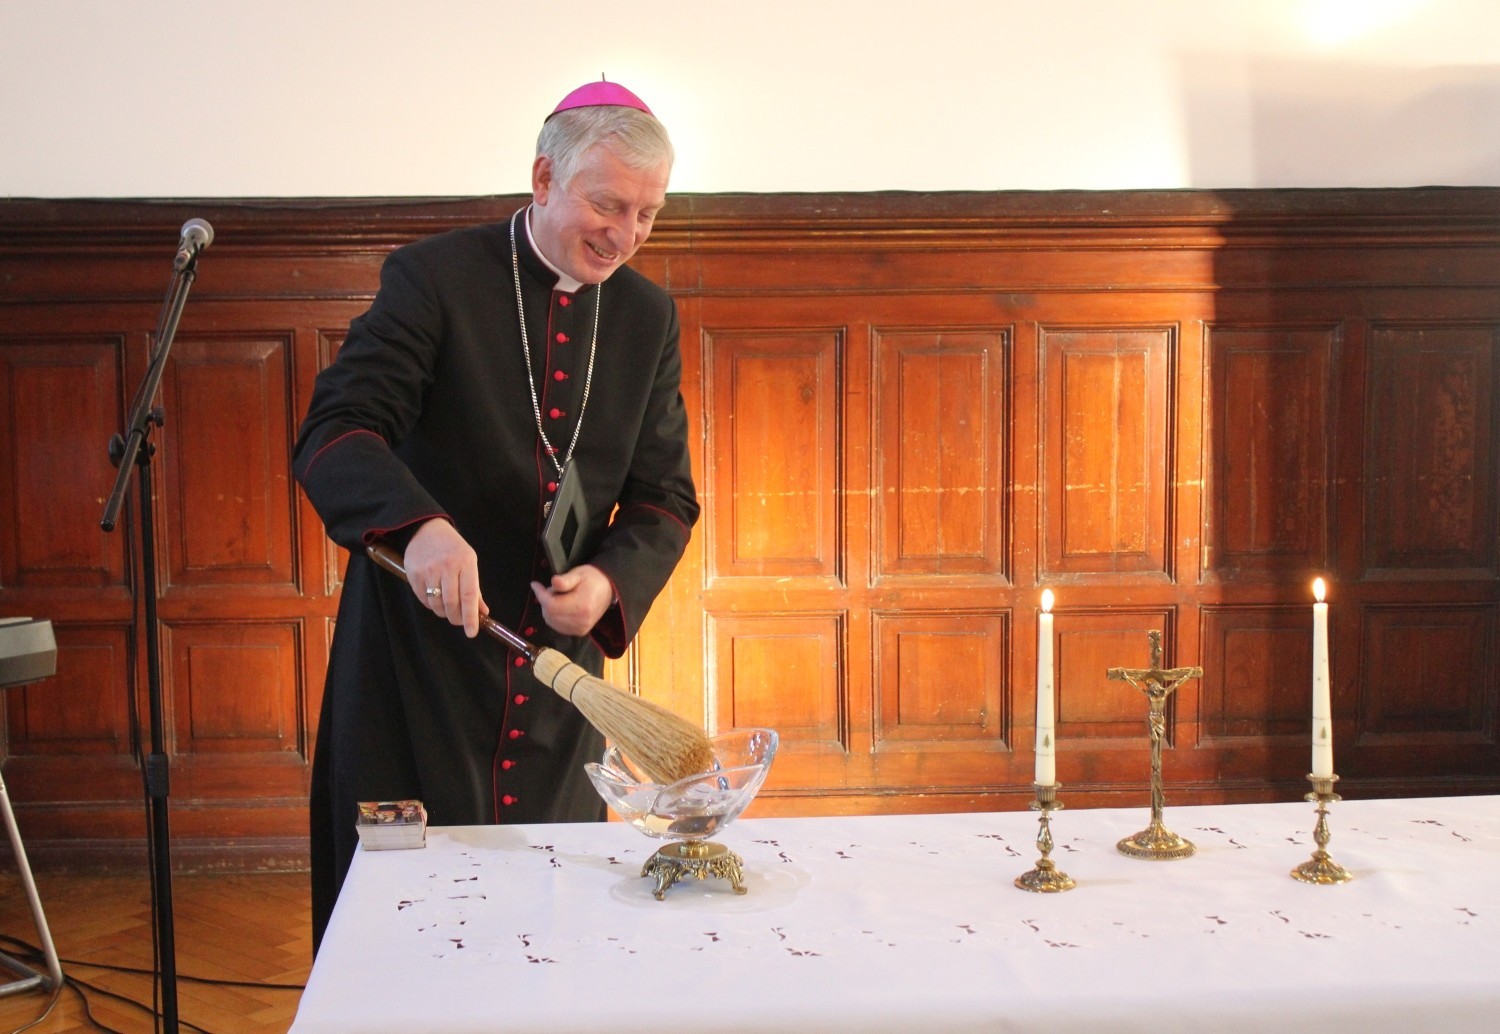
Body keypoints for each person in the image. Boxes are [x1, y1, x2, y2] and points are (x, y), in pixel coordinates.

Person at [292, 80, 699, 952]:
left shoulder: (646, 316)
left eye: (648, 214)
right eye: (607, 204)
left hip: (558, 676)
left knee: (549, 923)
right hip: (418, 661)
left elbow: (665, 496)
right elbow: (338, 428)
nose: (626, 234)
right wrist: (419, 526)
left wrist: (609, 582)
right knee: (407, 928)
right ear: (544, 178)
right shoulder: (435, 279)